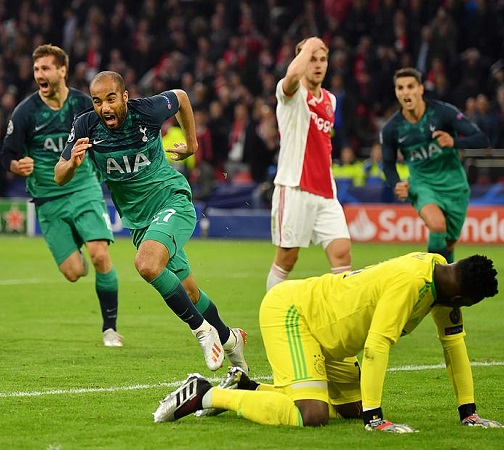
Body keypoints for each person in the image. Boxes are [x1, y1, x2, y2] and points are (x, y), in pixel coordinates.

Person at [154, 252, 503, 433]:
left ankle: (248, 387)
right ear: (460, 299)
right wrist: (376, 419)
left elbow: (454, 347)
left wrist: (469, 413)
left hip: (329, 336)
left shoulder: (439, 273)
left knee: (351, 409)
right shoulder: (412, 284)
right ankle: (205, 394)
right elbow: (376, 348)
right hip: (294, 313)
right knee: (312, 414)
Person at [54, 71, 247, 373]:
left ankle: (202, 331)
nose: (104, 107)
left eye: (111, 99)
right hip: (140, 222)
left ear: (125, 97)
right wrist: (72, 165)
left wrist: (192, 144)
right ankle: (230, 339)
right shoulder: (85, 125)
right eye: (97, 101)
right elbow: (59, 174)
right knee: (190, 293)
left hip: (171, 200)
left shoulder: (146, 112)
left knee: (146, 264)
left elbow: (181, 97)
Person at [1, 44, 122, 347]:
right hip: (48, 198)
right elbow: (7, 154)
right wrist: (17, 165)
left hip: (83, 187)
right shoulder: (26, 112)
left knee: (100, 254)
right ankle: (77, 244)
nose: (39, 74)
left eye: (45, 68)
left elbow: (108, 134)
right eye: (36, 69)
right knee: (73, 272)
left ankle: (110, 329)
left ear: (62, 70)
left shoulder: (83, 104)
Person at [266, 37, 351, 292]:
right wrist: (310, 45)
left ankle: (343, 312)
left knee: (342, 253)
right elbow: (293, 75)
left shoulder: (330, 100)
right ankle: (270, 311)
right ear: (301, 61)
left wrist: (312, 48)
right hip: (294, 187)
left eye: (322, 59)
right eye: (311, 59)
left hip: (326, 191)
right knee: (287, 259)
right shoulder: (291, 94)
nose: (318, 64)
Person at [381, 68, 490, 263]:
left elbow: (481, 139)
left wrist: (454, 142)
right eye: (400, 88)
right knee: (437, 226)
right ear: (396, 92)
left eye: (410, 87)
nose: (405, 92)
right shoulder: (392, 129)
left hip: (454, 185)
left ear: (421, 89)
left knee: (448, 243)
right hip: (421, 185)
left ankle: (445, 277)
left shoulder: (442, 113)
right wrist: (396, 183)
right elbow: (388, 164)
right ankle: (433, 277)